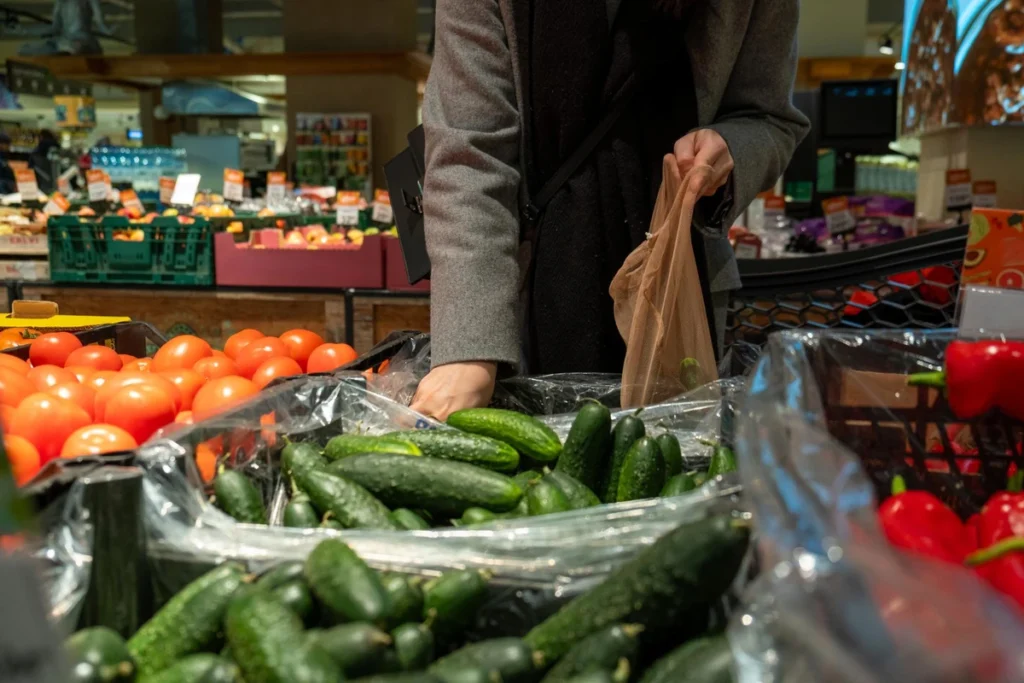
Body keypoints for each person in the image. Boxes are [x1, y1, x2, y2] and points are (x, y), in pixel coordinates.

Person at [411, 0, 809, 420]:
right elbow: (469, 155)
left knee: (679, 464)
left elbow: (770, 118)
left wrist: (731, 147)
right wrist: (469, 349)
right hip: (524, 293)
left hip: (680, 291)